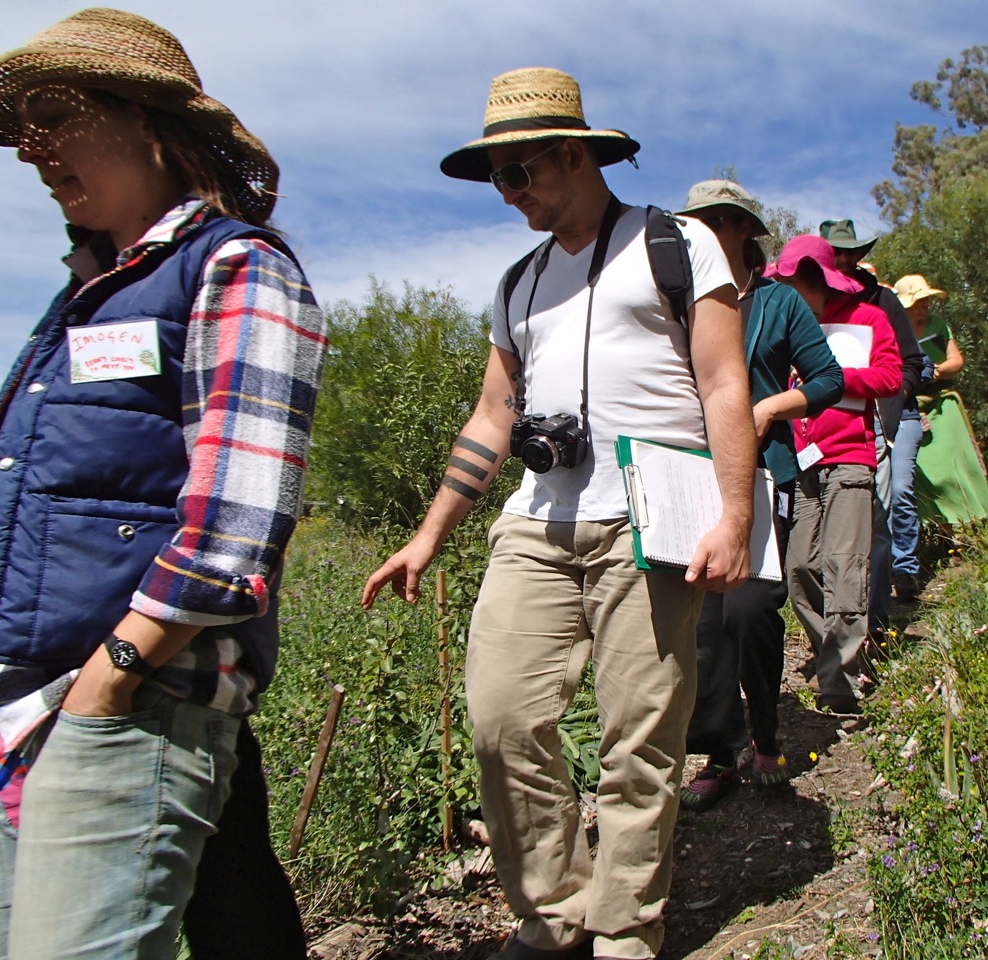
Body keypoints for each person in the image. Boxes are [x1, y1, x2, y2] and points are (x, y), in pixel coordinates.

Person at [362, 68, 755, 960]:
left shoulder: (676, 245)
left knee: (638, 740)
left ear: (573, 154)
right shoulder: (517, 282)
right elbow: (492, 415)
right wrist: (429, 534)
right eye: (498, 180)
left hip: (647, 524)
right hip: (536, 525)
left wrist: (734, 516)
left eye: (518, 175)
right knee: (501, 721)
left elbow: (724, 380)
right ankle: (552, 910)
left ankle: (622, 930)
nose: (509, 197)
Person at [0, 9, 326, 960]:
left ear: (145, 121)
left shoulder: (235, 267)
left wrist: (112, 679)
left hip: (122, 707)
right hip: (22, 712)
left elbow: (237, 526)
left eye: (52, 117)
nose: (30, 149)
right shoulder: (83, 298)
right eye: (20, 130)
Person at [675, 181, 843, 811]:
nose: (706, 230)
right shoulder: (682, 302)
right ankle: (720, 752)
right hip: (691, 474)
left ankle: (766, 733)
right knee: (705, 621)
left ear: (745, 229)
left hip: (765, 471)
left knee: (749, 608)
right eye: (696, 220)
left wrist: (771, 404)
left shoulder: (779, 304)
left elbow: (827, 378)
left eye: (720, 220)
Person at [772, 236, 901, 715]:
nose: (785, 291)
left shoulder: (869, 319)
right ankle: (838, 651)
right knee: (800, 567)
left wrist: (833, 377)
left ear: (817, 280)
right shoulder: (787, 322)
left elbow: (891, 378)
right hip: (804, 462)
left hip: (851, 460)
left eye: (793, 283)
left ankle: (842, 684)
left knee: (844, 568)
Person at [820, 221, 925, 619]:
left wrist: (894, 395)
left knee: (875, 520)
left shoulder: (882, 300)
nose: (845, 259)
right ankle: (835, 620)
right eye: (836, 253)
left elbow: (910, 361)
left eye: (851, 252)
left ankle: (875, 622)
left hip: (874, 426)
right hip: (816, 430)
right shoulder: (809, 300)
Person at [893, 274, 988, 527]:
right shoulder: (894, 330)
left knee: (958, 464)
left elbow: (956, 361)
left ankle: (971, 522)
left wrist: (936, 370)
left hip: (942, 400)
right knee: (922, 473)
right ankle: (936, 528)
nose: (925, 305)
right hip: (912, 405)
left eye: (926, 299)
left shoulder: (937, 325)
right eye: (918, 301)